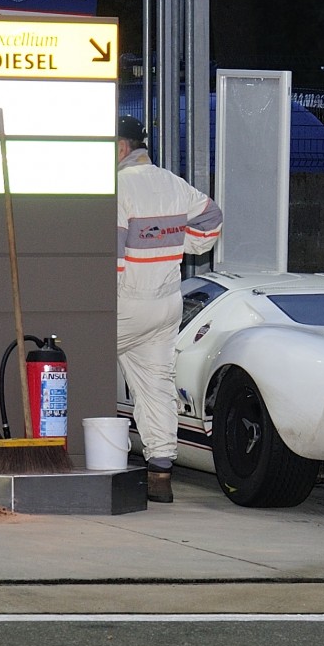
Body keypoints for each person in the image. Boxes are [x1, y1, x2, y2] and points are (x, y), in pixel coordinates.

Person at [116, 115, 222, 503]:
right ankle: (160, 472)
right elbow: (211, 220)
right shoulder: (173, 183)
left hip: (125, 301)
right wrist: (184, 242)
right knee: (156, 386)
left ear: (121, 148)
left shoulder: (117, 186)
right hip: (166, 303)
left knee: (70, 361)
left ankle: (66, 451)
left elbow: (113, 256)